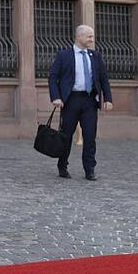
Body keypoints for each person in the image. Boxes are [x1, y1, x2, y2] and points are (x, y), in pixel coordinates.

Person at [48, 24, 114, 181]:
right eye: (89, 36)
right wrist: (56, 97)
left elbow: (104, 79)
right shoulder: (64, 55)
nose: (92, 39)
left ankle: (89, 169)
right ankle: (62, 166)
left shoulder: (95, 56)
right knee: (66, 135)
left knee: (90, 136)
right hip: (70, 100)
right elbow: (53, 77)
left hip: (90, 101)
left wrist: (108, 99)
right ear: (79, 37)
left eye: (92, 36)